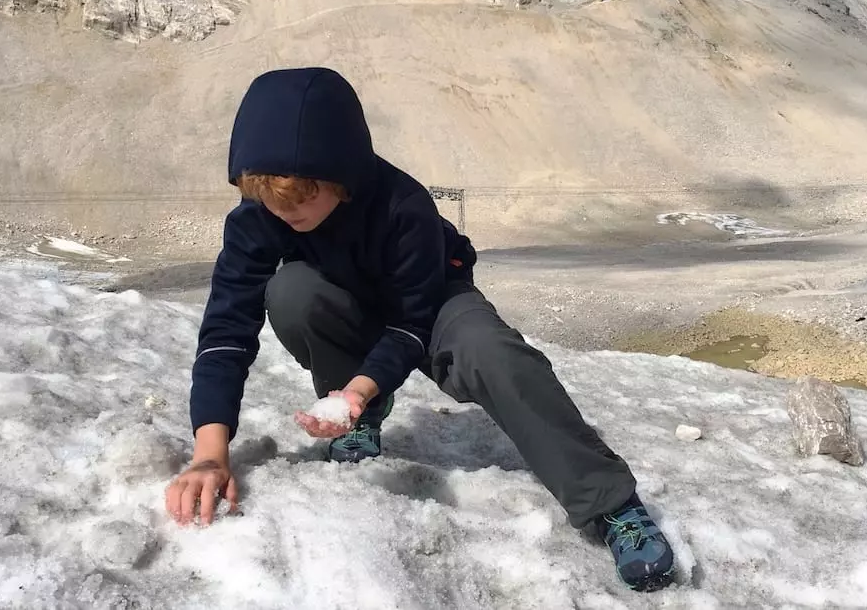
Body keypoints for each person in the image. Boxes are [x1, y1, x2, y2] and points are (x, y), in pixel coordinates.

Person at [163, 67, 675, 592]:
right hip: (348, 300)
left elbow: (412, 322)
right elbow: (228, 325)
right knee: (293, 293)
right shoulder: (259, 213)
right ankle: (355, 420)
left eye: (299, 198)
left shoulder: (402, 206)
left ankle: (611, 506)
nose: (282, 212)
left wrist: (366, 384)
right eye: (269, 200)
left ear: (340, 176)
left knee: (491, 352)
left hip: (430, 302)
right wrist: (209, 453)